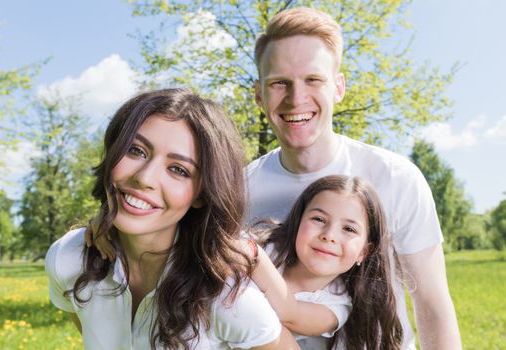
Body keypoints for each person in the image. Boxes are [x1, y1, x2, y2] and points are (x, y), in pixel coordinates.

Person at [247, 7, 461, 350]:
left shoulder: (395, 177)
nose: (296, 98)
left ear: (339, 87)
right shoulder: (241, 188)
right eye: (279, 83)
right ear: (258, 93)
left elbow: (433, 307)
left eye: (313, 80)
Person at [45, 89, 300, 350]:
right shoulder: (68, 258)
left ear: (202, 194)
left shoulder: (227, 297)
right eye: (135, 150)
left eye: (178, 170)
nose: (144, 178)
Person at [249, 175, 403, 349]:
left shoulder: (337, 304)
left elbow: (288, 313)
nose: (329, 235)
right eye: (319, 219)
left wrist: (253, 256)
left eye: (349, 229)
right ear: (298, 221)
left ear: (363, 252)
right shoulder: (268, 248)